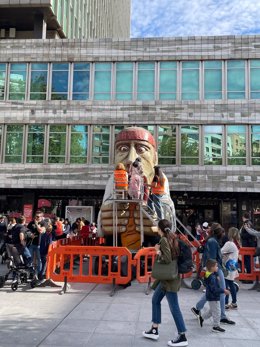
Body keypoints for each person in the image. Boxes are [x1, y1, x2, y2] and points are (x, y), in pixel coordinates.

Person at [99, 126, 175, 250]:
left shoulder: (160, 178)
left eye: (141, 149)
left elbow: (168, 210)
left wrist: (163, 220)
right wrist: (105, 218)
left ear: (155, 158)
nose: (130, 158)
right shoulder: (114, 178)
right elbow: (104, 214)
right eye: (123, 149)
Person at [142, 219, 188, 347]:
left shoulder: (163, 240)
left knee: (174, 307)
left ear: (160, 229)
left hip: (169, 281)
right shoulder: (173, 238)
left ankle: (182, 335)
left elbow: (167, 258)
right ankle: (154, 329)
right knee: (155, 300)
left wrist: (157, 251)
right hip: (167, 278)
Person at [191, 223, 235, 325]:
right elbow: (211, 258)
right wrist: (214, 274)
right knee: (221, 292)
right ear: (219, 232)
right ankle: (222, 316)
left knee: (213, 291)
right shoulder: (212, 241)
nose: (223, 234)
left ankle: (198, 308)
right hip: (215, 269)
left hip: (214, 268)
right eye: (222, 232)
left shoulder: (212, 240)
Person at [198, 259, 230, 333]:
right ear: (212, 267)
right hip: (213, 297)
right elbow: (214, 289)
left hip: (212, 296)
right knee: (217, 312)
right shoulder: (212, 277)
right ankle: (216, 326)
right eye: (216, 266)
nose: (217, 268)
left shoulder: (210, 274)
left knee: (212, 311)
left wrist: (216, 277)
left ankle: (201, 318)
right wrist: (223, 291)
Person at [221, 227, 240, 309]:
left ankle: (225, 302)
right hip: (233, 265)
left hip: (228, 265)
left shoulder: (229, 243)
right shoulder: (237, 243)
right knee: (231, 284)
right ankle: (234, 302)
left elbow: (221, 251)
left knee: (225, 284)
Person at [27, 210, 46, 277]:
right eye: (36, 216)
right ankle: (31, 273)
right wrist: (30, 235)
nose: (37, 218)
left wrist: (36, 224)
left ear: (41, 217)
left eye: (38, 216)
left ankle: (39, 274)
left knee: (39, 260)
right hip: (31, 244)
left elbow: (41, 231)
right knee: (30, 259)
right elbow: (27, 231)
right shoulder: (31, 223)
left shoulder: (44, 223)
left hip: (39, 244)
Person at [240, 212, 257, 276]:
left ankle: (249, 275)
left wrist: (242, 235)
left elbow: (249, 234)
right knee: (248, 260)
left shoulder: (246, 223)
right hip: (249, 244)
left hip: (247, 244)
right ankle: (249, 274)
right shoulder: (249, 223)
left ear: (243, 217)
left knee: (248, 260)